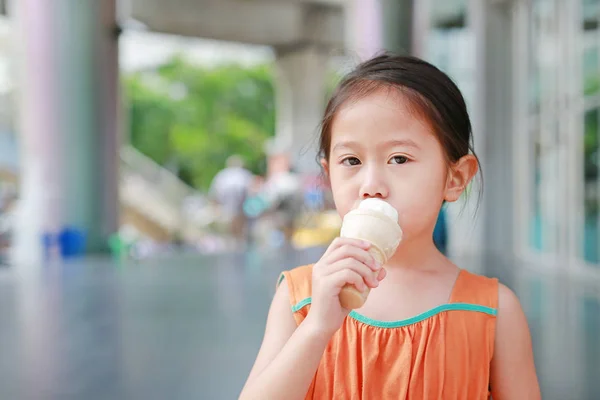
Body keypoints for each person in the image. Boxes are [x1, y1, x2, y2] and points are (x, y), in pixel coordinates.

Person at [239, 54, 540, 399]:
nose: (371, 183)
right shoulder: (301, 298)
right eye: (351, 160)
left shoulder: (494, 311)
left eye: (399, 158)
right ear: (328, 175)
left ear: (455, 178)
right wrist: (317, 328)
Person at [208, 155, 253, 247]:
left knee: (230, 223)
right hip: (240, 203)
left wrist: (215, 208)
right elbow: (252, 191)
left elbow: (214, 194)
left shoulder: (222, 175)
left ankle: (234, 241)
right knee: (238, 223)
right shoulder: (244, 174)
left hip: (227, 203)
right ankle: (238, 241)